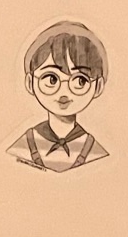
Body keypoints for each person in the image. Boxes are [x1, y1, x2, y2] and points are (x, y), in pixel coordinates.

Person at [7, 21, 109, 173]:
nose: (64, 92)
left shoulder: (96, 152)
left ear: (98, 86)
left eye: (80, 81)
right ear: (30, 82)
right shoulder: (22, 146)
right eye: (52, 79)